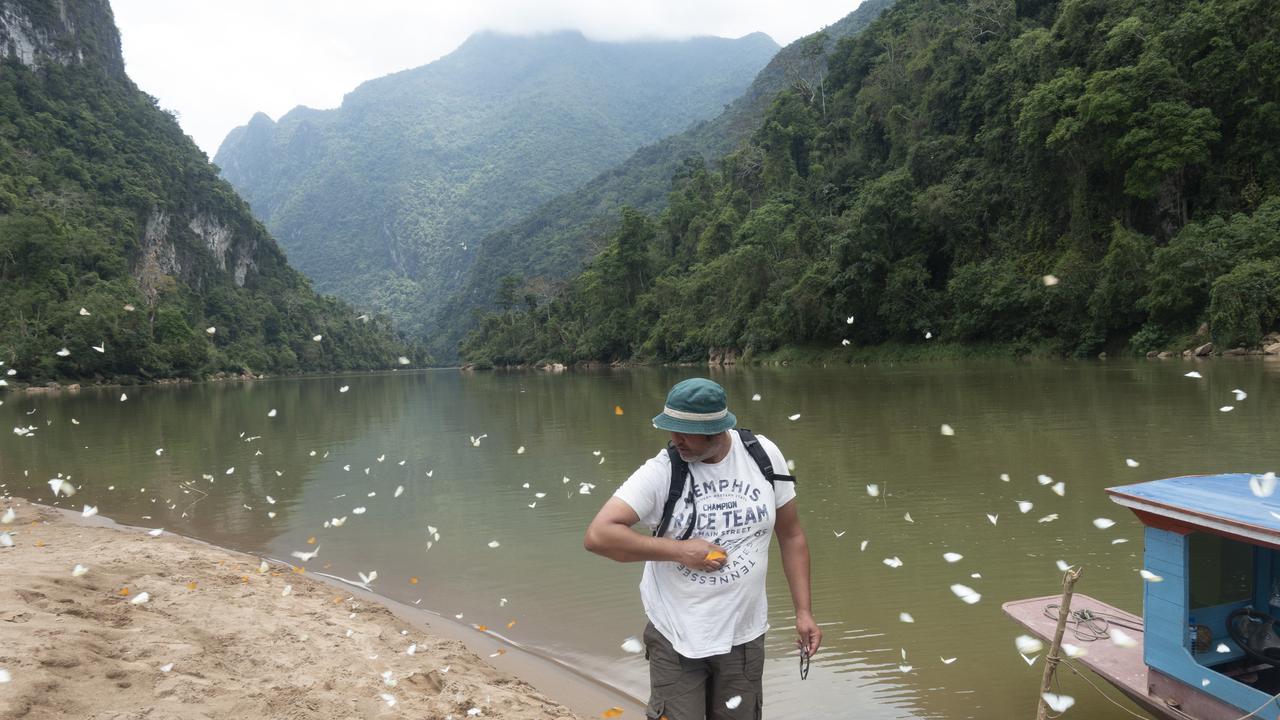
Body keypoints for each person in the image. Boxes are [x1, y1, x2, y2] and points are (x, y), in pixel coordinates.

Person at [584, 377, 820, 720]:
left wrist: (804, 612)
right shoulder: (663, 472)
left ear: (717, 431)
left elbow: (792, 535)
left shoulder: (762, 455)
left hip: (744, 634)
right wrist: (680, 551)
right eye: (672, 430)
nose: (675, 440)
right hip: (677, 634)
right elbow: (598, 535)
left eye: (686, 433)